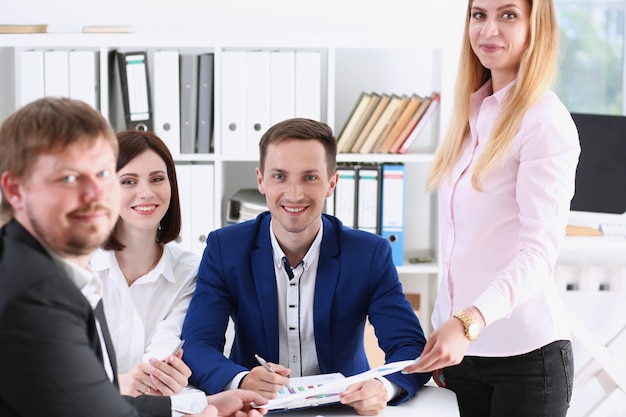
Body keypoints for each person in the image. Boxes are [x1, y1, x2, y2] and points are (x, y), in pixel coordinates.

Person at [0, 97, 267, 417]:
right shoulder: (34, 291)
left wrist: (204, 404)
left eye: (101, 174)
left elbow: (90, 398)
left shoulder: (59, 273)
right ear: (15, 190)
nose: (96, 194)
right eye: (68, 178)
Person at [181, 117, 431, 416]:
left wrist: (382, 386)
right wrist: (242, 379)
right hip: (255, 408)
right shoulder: (226, 249)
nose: (294, 193)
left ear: (332, 183)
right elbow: (197, 345)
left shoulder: (369, 254)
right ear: (261, 180)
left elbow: (410, 346)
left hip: (342, 409)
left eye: (310, 177)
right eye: (280, 176)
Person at [403, 1, 580, 416]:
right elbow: (459, 245)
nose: (488, 30)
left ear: (537, 25)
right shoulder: (472, 112)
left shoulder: (544, 122)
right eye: (479, 15)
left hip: (526, 359)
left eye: (508, 15)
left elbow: (538, 253)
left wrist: (466, 322)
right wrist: (443, 325)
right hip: (463, 358)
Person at [91, 130, 198, 397]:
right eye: (128, 181)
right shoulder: (76, 266)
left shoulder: (191, 272)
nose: (146, 193)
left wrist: (162, 376)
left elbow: (161, 357)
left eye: (157, 179)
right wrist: (117, 383)